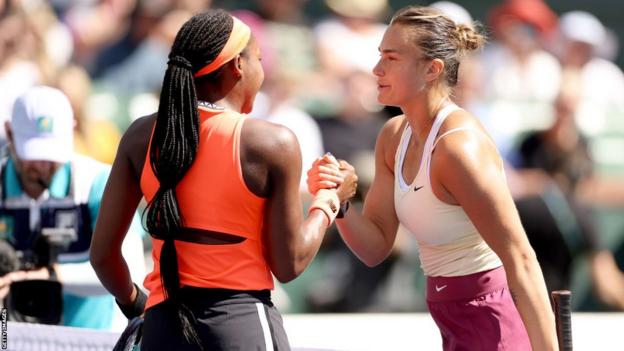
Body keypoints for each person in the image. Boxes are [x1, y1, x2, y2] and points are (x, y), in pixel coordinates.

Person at [89, 9, 356, 350]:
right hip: (240, 323)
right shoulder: (271, 142)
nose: (262, 70)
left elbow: (103, 255)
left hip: (161, 326)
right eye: (258, 58)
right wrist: (329, 199)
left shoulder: (139, 136)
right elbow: (290, 264)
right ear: (238, 66)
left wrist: (135, 303)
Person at [308, 6, 558, 350]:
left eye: (391, 58)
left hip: (495, 323)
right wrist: (342, 203)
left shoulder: (459, 148)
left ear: (431, 69)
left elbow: (521, 258)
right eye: (380, 55)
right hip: (450, 321)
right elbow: (375, 246)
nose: (376, 69)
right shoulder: (393, 135)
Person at [0, 85, 145, 329]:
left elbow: (132, 273)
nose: (43, 165)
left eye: (51, 152)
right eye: (33, 153)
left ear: (72, 132)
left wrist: (49, 276)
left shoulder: (98, 183)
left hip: (89, 340)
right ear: (10, 135)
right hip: (11, 337)